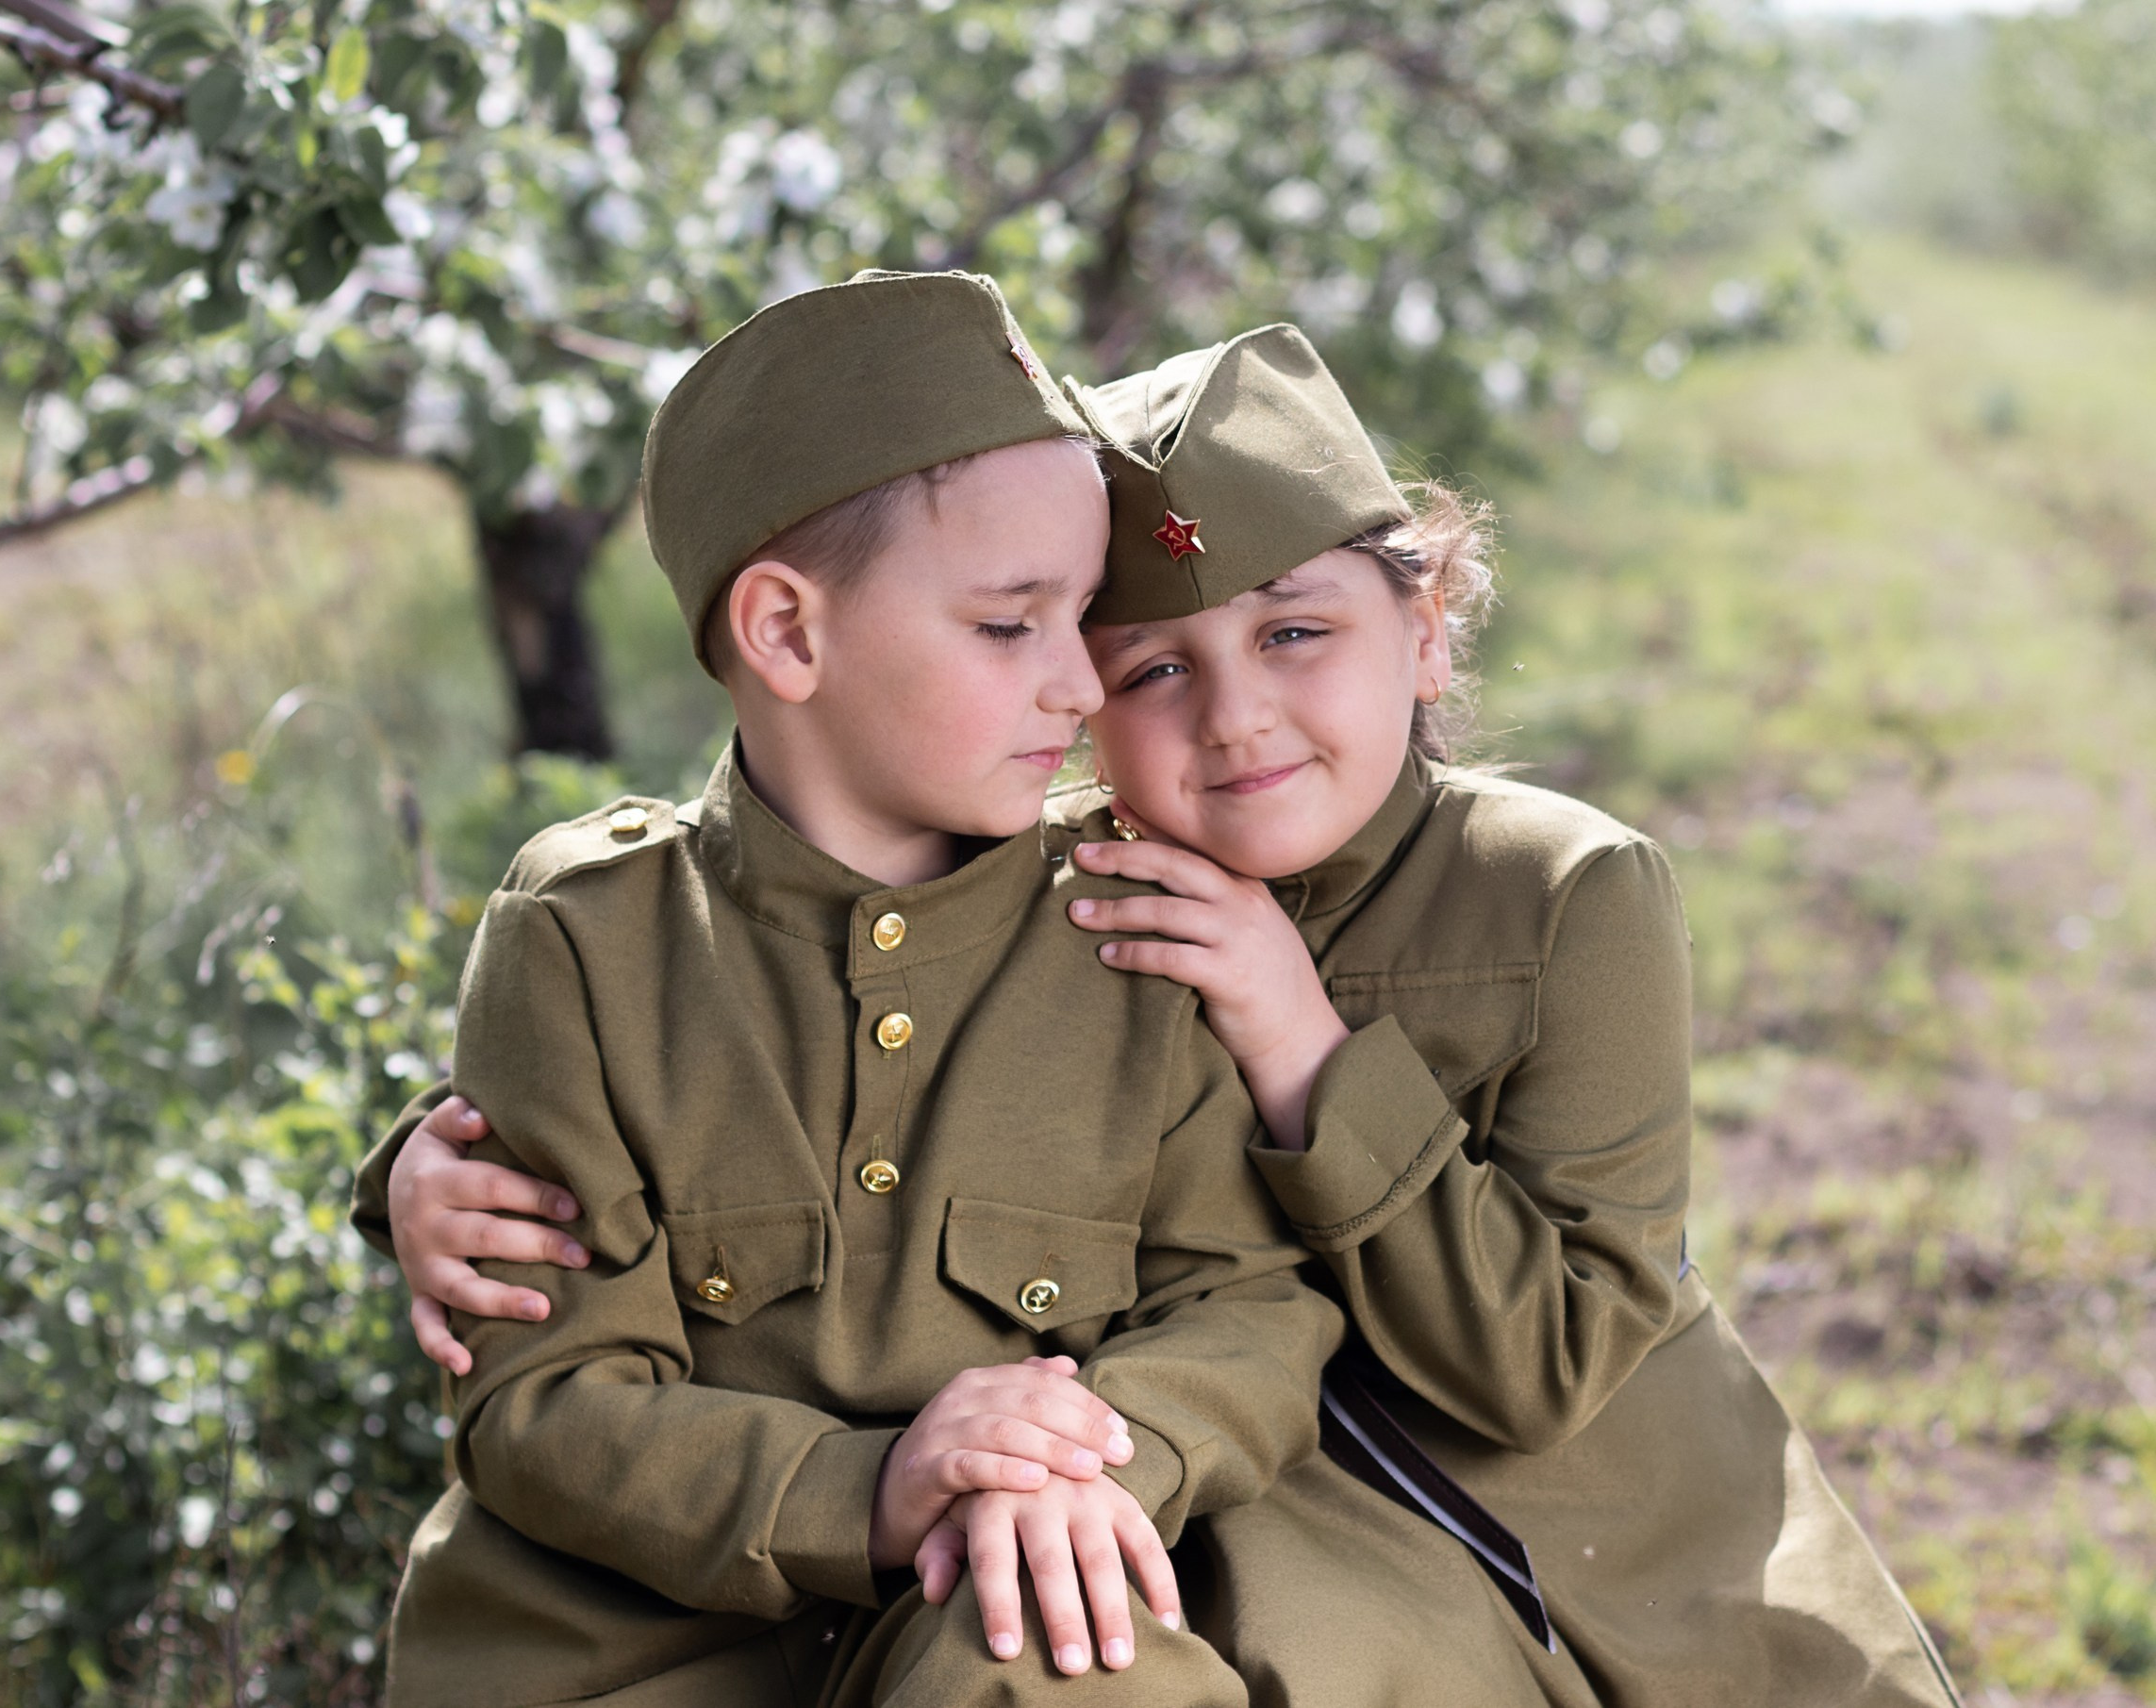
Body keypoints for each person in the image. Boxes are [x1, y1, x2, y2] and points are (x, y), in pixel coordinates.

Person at [371, 323, 1966, 1708]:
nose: (1237, 718)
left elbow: (1528, 1362)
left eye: (1295, 635)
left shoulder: (1557, 898)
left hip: (1553, 1502)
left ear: (1424, 630)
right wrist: (421, 1171)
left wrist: (1298, 1036)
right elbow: (726, 995)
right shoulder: (1088, 876)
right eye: (1144, 669)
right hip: (1216, 1515)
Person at [370, 270, 1346, 1708]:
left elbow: (1249, 1302)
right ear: (787, 634)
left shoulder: (1132, 918)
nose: (1080, 685)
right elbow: (544, 1401)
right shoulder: (590, 943)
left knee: (1087, 1680)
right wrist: (872, 1488)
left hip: (1003, 1617)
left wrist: (1091, 1462)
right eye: (1010, 625)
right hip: (629, 1658)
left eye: (1084, 618)